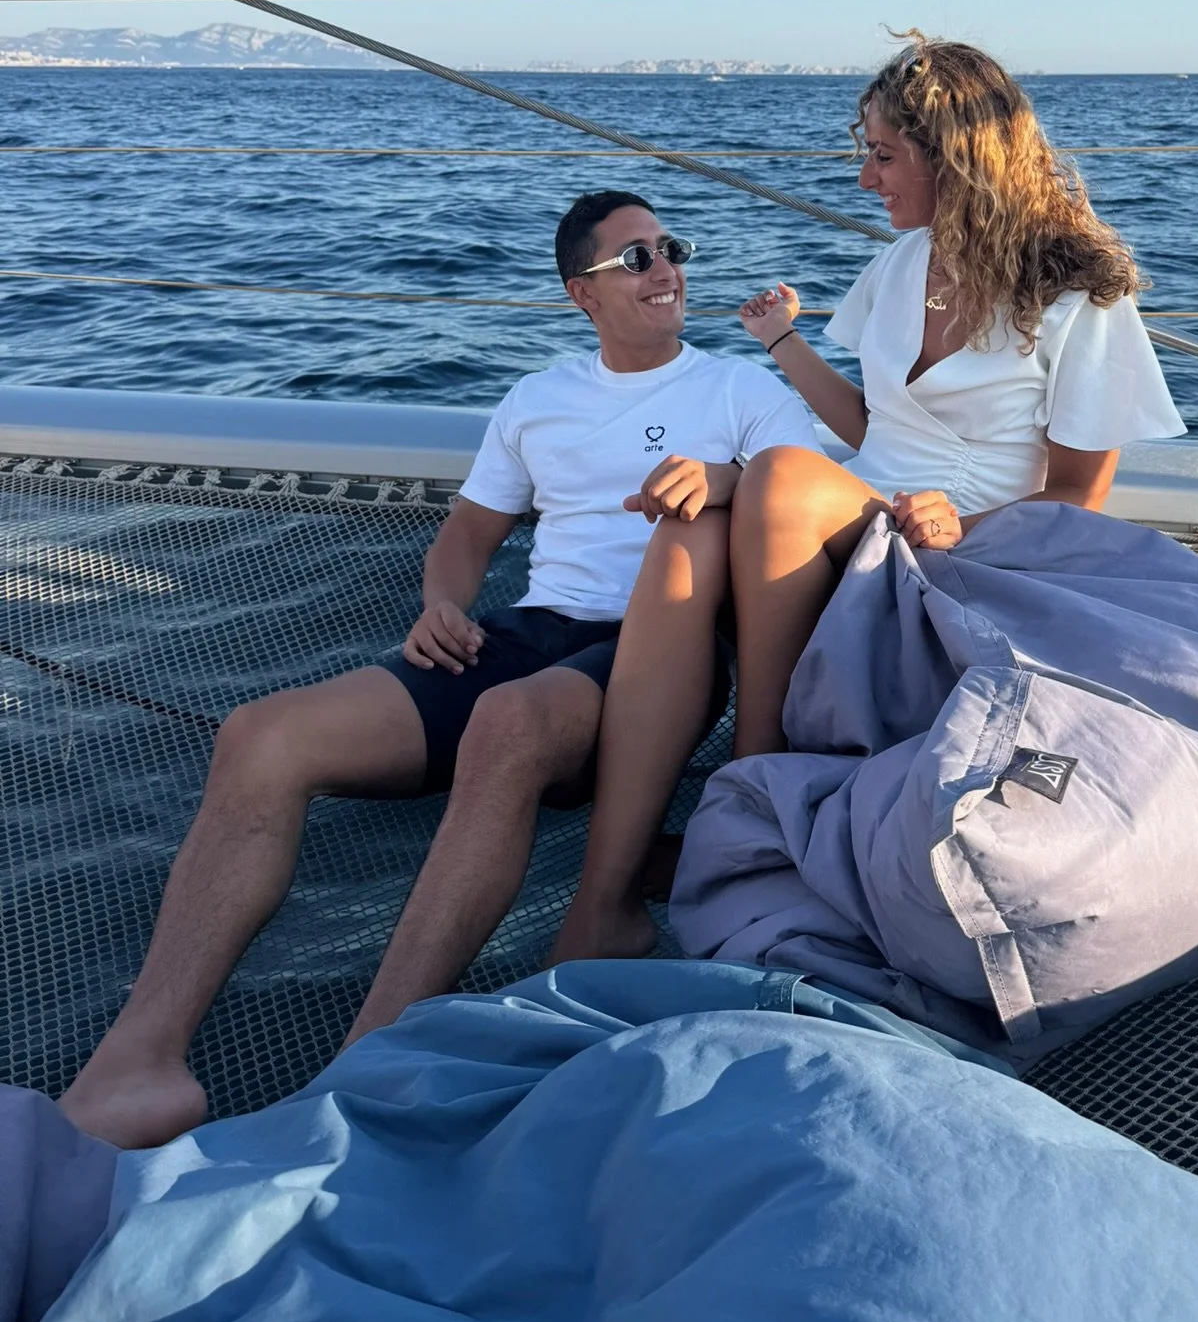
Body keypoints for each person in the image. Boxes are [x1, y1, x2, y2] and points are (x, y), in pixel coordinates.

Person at [58, 190, 820, 1148]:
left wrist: (725, 479)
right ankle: (141, 1058)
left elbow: (813, 494)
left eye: (671, 248)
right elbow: (468, 533)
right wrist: (442, 604)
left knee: (508, 723)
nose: (666, 270)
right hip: (527, 632)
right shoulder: (537, 398)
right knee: (262, 737)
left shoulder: (738, 390)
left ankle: (360, 1066)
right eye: (637, 258)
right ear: (582, 292)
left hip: (657, 648)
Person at [729, 33, 1187, 754]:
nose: (865, 180)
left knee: (778, 474)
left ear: (956, 158)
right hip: (862, 513)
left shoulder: (1078, 298)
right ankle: (630, 826)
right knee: (688, 539)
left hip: (970, 551)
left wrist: (963, 527)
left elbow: (1080, 493)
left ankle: (750, 770)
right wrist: (781, 339)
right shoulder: (899, 263)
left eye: (884, 156)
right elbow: (875, 428)